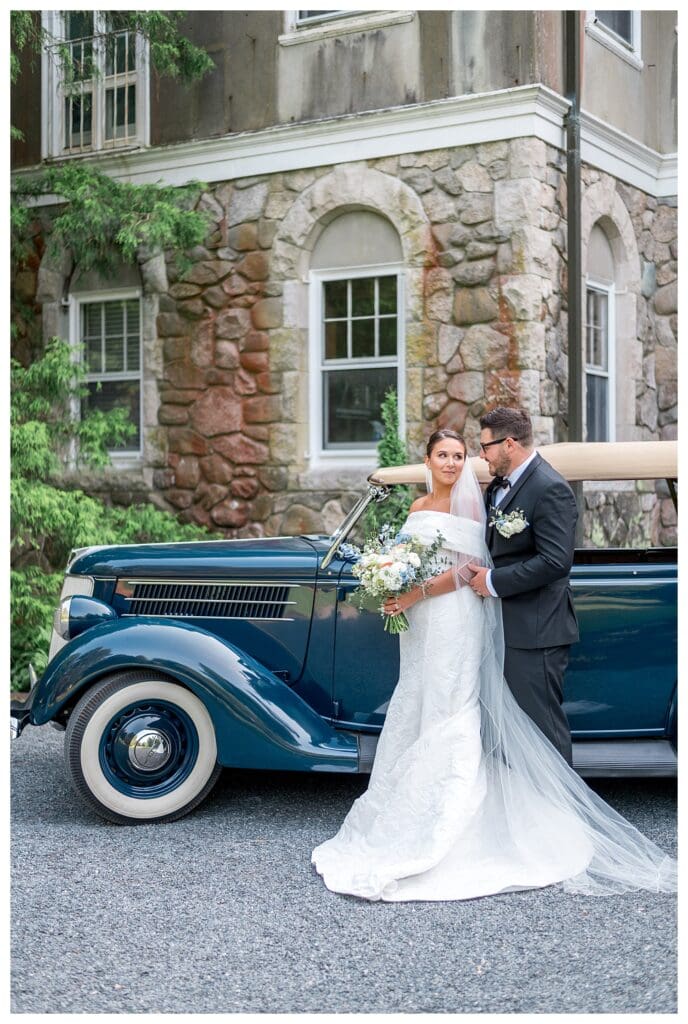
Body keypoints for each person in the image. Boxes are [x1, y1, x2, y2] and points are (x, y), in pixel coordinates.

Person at [311, 429, 676, 902]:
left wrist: (411, 592)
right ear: (427, 459)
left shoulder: (472, 505)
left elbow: (468, 570)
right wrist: (390, 583)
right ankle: (401, 807)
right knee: (416, 697)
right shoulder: (418, 507)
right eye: (443, 454)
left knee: (450, 704)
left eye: (460, 455)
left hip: (450, 615)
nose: (452, 462)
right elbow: (409, 557)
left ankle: (449, 813)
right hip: (420, 621)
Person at [467, 407, 578, 765]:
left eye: (485, 446)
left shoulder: (550, 488)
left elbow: (556, 561)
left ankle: (560, 814)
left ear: (509, 443)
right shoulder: (498, 487)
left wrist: (493, 581)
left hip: (537, 629)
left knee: (542, 724)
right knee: (510, 726)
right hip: (503, 626)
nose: (481, 454)